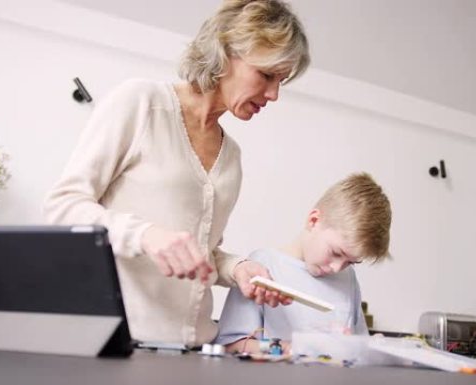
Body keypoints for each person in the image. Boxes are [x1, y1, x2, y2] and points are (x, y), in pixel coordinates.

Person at [43, 0, 310, 347]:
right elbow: (61, 208)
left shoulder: (232, 158)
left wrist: (237, 269)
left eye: (281, 81)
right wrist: (145, 235)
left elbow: (200, 251)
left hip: (191, 350)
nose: (274, 94)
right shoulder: (140, 103)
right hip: (112, 346)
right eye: (267, 75)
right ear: (226, 52)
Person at [214, 173, 392, 354]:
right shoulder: (261, 266)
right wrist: (292, 348)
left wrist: (366, 346)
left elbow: (356, 345)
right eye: (336, 253)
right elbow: (231, 345)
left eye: (351, 262)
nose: (337, 268)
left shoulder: (347, 278)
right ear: (313, 221)